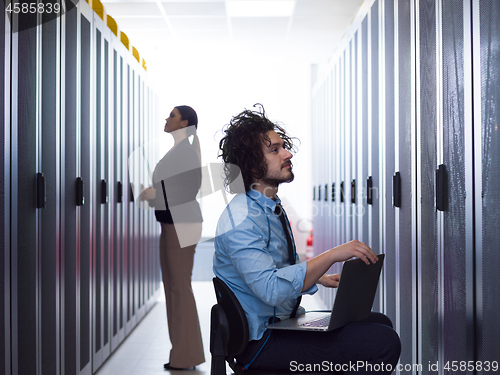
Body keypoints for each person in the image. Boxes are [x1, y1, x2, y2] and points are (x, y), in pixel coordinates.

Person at [213, 105, 401, 374]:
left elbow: (269, 267)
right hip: (261, 343)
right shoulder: (240, 219)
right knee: (381, 342)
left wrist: (319, 276)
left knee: (380, 322)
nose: (288, 154)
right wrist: (333, 254)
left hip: (279, 324)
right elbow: (269, 288)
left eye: (283, 147)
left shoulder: (268, 206)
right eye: (275, 150)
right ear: (252, 165)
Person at [140, 105, 205, 371]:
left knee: (179, 290)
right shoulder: (180, 151)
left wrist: (153, 194)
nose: (166, 119)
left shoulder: (185, 152)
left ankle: (187, 356)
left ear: (183, 123)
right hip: (173, 223)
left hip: (182, 223)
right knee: (175, 290)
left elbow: (186, 189)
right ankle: (182, 353)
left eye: (172, 115)